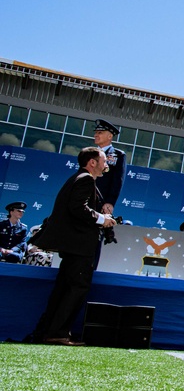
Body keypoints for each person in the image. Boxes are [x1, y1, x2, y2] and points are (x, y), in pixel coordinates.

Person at [28, 147, 116, 345]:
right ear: (92, 162)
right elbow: (77, 208)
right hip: (80, 246)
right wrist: (102, 219)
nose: (106, 164)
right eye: (103, 160)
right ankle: (58, 333)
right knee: (76, 288)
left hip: (73, 247)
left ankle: (48, 331)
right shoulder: (85, 179)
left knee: (64, 289)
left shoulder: (78, 178)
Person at [91, 119, 126, 269]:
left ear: (110, 136)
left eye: (100, 133)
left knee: (95, 237)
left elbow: (117, 180)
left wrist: (110, 202)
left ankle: (91, 268)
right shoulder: (89, 153)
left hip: (101, 203)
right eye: (96, 132)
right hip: (85, 200)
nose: (96, 135)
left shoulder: (117, 155)